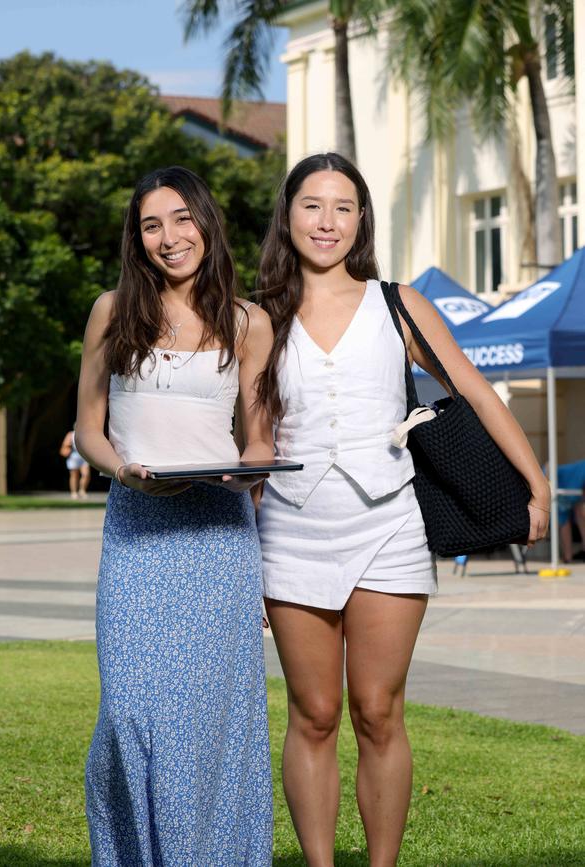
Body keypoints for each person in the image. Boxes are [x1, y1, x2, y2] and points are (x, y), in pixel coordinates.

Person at [254, 152, 550, 867]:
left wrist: (535, 482)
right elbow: (248, 437)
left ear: (361, 221)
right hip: (289, 529)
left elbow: (475, 391)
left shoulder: (399, 302)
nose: (327, 221)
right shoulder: (259, 315)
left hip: (388, 526)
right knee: (314, 713)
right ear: (288, 214)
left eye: (343, 207)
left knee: (378, 711)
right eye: (313, 205)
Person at [75, 166, 274, 865]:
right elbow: (90, 430)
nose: (170, 236)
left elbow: (258, 438)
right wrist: (121, 467)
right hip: (137, 530)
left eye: (182, 218)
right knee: (129, 717)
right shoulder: (112, 310)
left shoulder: (249, 322)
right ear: (137, 238)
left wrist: (246, 470)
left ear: (207, 223)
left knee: (212, 724)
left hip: (220, 537)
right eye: (152, 224)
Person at [556, 459, 585, 562]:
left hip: (567, 486)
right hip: (563, 486)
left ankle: (568, 556)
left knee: (570, 517)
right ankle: (568, 556)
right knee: (571, 517)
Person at [59, 427, 90, 499]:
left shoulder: (85, 434)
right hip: (74, 456)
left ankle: (82, 490)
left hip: (83, 456)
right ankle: (74, 492)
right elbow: (65, 445)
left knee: (86, 474)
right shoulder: (71, 434)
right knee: (74, 475)